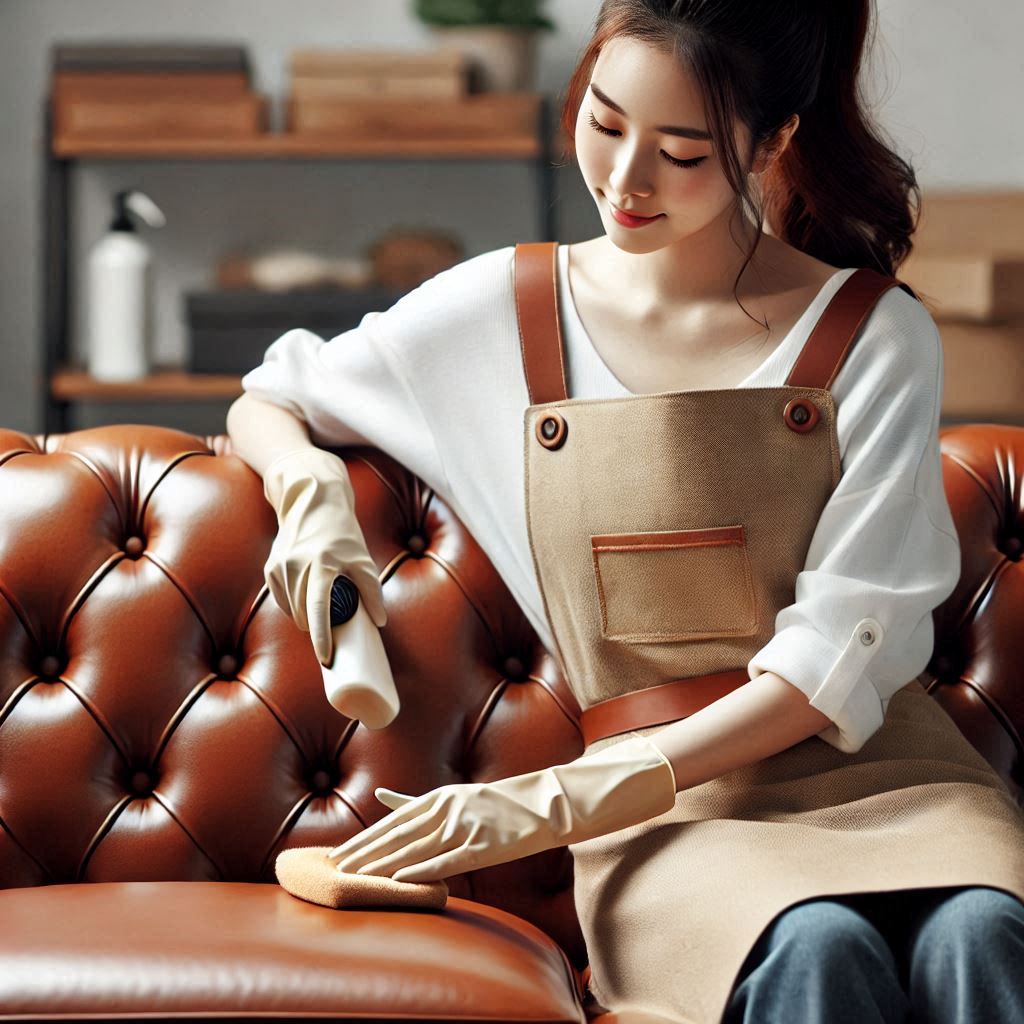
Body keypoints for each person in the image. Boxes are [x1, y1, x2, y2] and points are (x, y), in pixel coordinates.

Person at [226, 2, 1024, 1021]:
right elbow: (272, 395)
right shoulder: (503, 314)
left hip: (894, 779)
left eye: (680, 153)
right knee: (812, 947)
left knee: (985, 933)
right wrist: (310, 499)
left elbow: (835, 658)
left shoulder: (871, 333)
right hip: (681, 820)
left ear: (772, 142)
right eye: (604, 125)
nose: (624, 180)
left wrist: (553, 799)